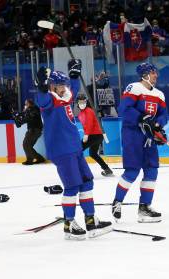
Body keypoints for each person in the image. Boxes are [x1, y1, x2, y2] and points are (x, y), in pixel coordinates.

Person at [34, 60, 112, 240]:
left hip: (74, 148)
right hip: (61, 149)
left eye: (64, 84)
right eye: (59, 85)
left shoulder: (66, 96)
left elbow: (73, 90)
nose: (63, 88)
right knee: (72, 186)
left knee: (86, 182)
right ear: (52, 86)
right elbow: (42, 99)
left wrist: (75, 76)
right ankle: (69, 225)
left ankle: (91, 220)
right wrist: (42, 87)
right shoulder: (48, 100)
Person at [113, 62, 168, 223]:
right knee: (132, 171)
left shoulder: (159, 94)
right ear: (144, 75)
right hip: (133, 135)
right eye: (153, 72)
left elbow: (164, 114)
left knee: (152, 170)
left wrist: (158, 127)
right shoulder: (134, 88)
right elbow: (124, 109)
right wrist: (141, 118)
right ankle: (117, 202)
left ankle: (144, 208)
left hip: (149, 138)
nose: (156, 75)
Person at [76, 94, 113, 177]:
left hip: (94, 135)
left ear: (86, 102)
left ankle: (80, 172)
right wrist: (86, 134)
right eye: (80, 102)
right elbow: (85, 126)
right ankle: (107, 169)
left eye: (83, 102)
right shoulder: (80, 114)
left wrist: (86, 135)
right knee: (93, 154)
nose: (82, 104)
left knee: (77, 151)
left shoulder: (89, 111)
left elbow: (90, 124)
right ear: (77, 103)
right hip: (95, 136)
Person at [14, 99, 46, 165]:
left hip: (34, 130)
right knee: (28, 145)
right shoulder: (29, 110)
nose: (25, 105)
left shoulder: (34, 109)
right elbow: (23, 119)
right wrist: (18, 117)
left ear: (29, 104)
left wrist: (24, 113)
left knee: (26, 144)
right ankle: (40, 158)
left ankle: (30, 160)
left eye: (26, 104)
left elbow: (28, 117)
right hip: (33, 130)